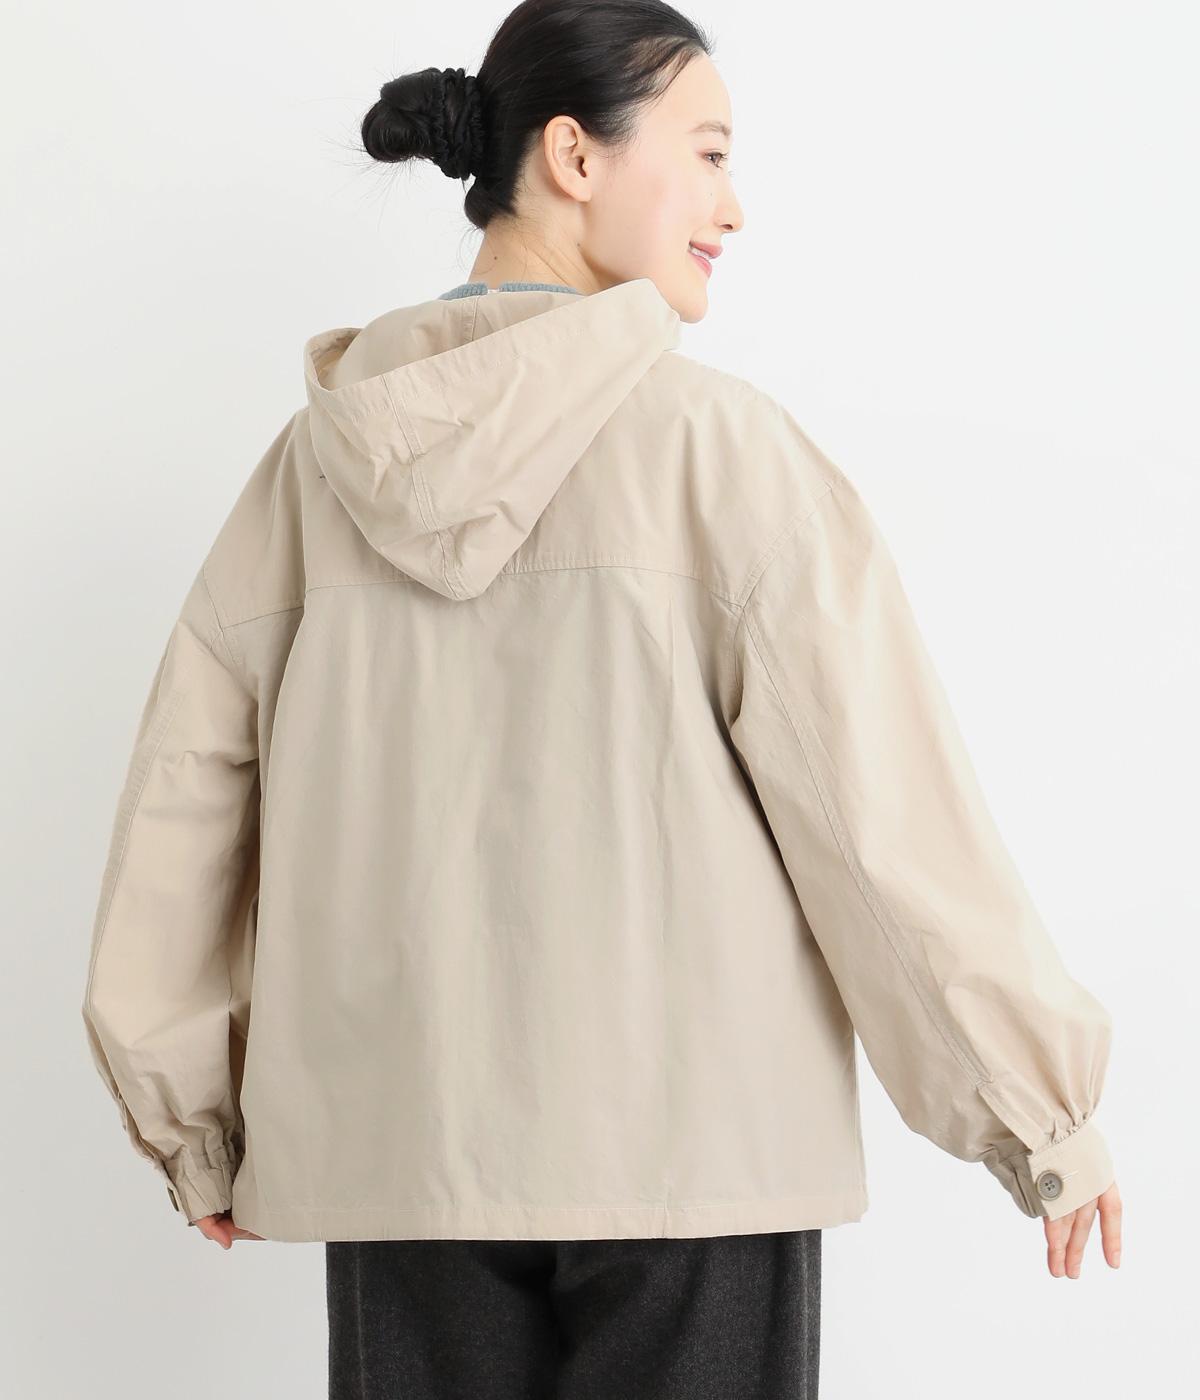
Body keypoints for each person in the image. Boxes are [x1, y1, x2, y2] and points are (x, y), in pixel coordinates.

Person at [80, 2, 1121, 1396]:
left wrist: (192, 1126)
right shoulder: (721, 457)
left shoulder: (309, 478)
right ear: (574, 156)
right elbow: (879, 823)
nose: (734, 207)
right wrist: (1034, 1114)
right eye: (708, 153)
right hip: (694, 1164)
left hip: (403, 1166)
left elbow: (182, 804)